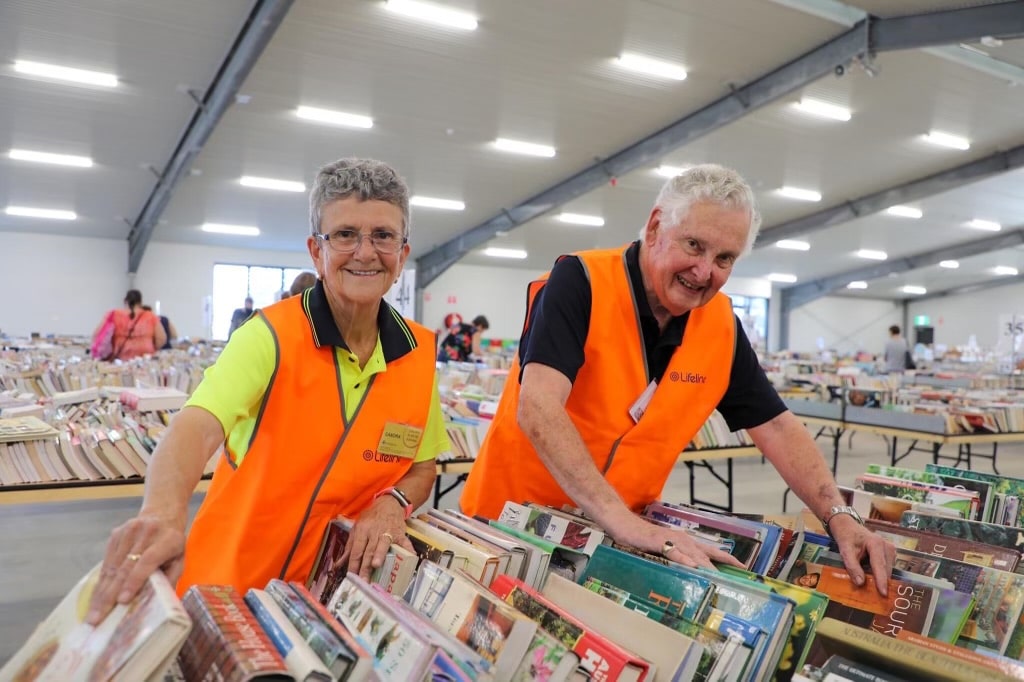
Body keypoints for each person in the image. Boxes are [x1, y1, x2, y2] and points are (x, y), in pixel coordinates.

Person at [460, 164, 894, 595]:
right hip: (508, 531)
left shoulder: (721, 325)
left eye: (724, 259)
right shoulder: (581, 281)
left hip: (612, 546)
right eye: (694, 245)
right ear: (654, 228)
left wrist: (839, 514)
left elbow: (777, 426)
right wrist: (625, 522)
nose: (705, 272)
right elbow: (538, 407)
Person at [86, 158, 450, 624]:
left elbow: (422, 466)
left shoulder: (418, 352)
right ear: (316, 250)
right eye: (344, 235)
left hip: (331, 609)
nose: (365, 252)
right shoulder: (269, 337)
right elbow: (195, 428)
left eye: (383, 235)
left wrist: (392, 502)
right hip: (229, 596)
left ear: (402, 254)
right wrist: (162, 514)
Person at [94, 290, 166, 360]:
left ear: (125, 301)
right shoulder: (150, 316)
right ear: (140, 302)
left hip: (120, 357)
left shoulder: (113, 314)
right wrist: (150, 346)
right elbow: (161, 339)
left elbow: (98, 334)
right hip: (145, 358)